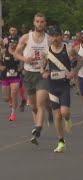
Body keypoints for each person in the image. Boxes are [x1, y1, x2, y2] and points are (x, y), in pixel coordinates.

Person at [40, 25, 83, 152]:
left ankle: (68, 119)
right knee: (57, 115)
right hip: (52, 86)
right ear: (49, 38)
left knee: (64, 112)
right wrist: (43, 73)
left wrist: (73, 71)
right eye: (52, 36)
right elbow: (42, 67)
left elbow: (80, 61)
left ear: (61, 36)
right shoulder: (46, 51)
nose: (54, 39)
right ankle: (61, 141)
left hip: (64, 85)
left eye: (56, 36)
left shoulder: (69, 49)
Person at [14, 13, 50, 145]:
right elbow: (16, 53)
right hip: (29, 74)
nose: (40, 24)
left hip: (42, 75)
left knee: (40, 103)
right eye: (37, 21)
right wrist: (25, 59)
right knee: (34, 106)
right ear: (34, 23)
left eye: (42, 22)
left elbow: (56, 53)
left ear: (45, 23)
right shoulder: (26, 37)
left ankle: (38, 128)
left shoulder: (49, 39)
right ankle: (38, 125)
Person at [0, 37, 22, 121]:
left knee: (14, 92)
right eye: (11, 42)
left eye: (14, 42)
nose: (13, 44)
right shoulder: (4, 51)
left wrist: (21, 68)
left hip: (15, 76)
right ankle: (10, 100)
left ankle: (13, 114)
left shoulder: (19, 52)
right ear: (8, 43)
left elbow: (23, 61)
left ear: (17, 43)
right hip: (5, 76)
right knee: (6, 97)